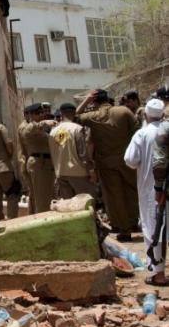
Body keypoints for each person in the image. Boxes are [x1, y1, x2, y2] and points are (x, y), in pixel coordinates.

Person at [77, 89, 139, 242]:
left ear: (94, 101)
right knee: (131, 191)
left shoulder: (93, 116)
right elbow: (136, 132)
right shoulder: (124, 111)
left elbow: (76, 116)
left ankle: (124, 229)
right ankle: (133, 222)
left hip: (106, 162)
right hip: (127, 159)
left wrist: (86, 101)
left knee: (114, 195)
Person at [125, 99, 166, 285]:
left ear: (146, 115)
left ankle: (158, 274)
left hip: (152, 190)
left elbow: (130, 160)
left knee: (152, 229)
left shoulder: (141, 134)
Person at [49, 103, 97, 199]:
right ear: (74, 113)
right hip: (79, 173)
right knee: (86, 205)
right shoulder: (77, 129)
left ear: (61, 114)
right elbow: (83, 154)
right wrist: (91, 171)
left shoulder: (53, 131)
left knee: (70, 208)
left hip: (61, 173)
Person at [19, 103, 56, 213]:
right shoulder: (28, 127)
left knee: (46, 197)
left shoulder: (41, 128)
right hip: (39, 163)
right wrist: (43, 123)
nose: (41, 115)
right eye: (37, 113)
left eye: (42, 113)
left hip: (46, 164)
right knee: (41, 200)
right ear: (30, 115)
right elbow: (30, 129)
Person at [18, 110, 35, 215]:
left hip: (26, 161)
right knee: (33, 192)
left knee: (33, 191)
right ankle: (32, 213)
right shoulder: (25, 127)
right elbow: (27, 147)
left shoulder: (26, 125)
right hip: (27, 162)